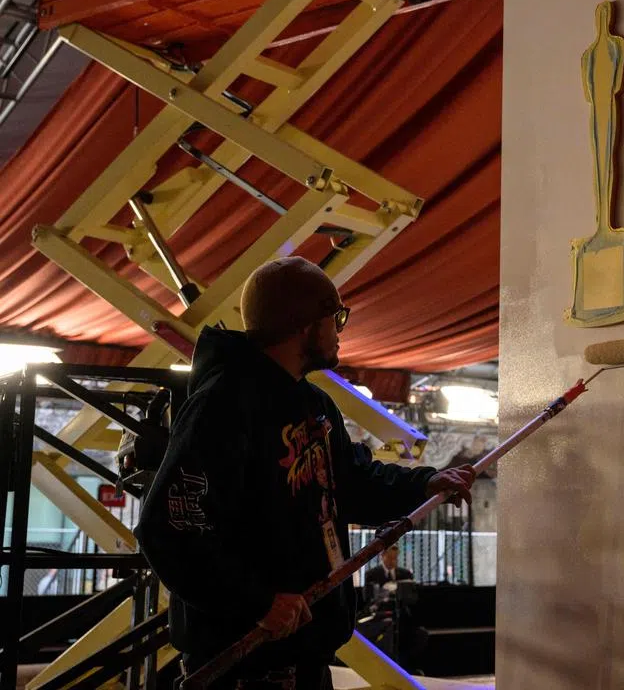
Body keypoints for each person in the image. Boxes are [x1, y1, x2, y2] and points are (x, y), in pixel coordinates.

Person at [135, 256, 475, 689]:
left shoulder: (314, 405)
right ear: (302, 323)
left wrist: (425, 483)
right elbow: (168, 527)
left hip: (305, 661)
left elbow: (350, 482)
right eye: (336, 318)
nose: (339, 331)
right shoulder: (223, 403)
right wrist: (255, 603)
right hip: (243, 671)